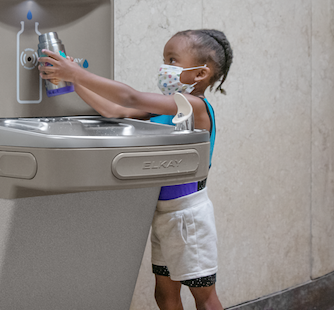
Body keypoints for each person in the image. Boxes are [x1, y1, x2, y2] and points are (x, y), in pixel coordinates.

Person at [39, 29, 233, 310]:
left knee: (204, 298)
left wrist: (77, 73)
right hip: (164, 215)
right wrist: (73, 81)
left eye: (172, 59)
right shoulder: (169, 107)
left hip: (189, 218)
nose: (164, 66)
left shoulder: (194, 105)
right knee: (164, 296)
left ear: (201, 73)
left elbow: (130, 98)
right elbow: (114, 110)